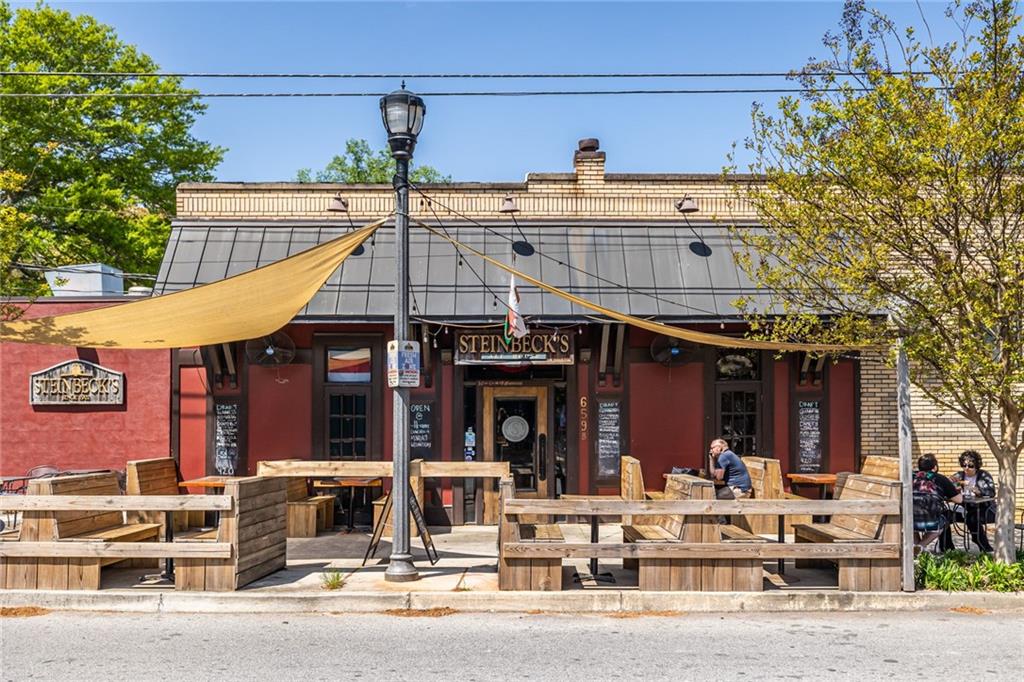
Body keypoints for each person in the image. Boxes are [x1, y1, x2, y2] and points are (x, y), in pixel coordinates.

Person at [944, 450, 997, 553]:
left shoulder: (984, 475)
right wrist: (951, 483)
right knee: (944, 516)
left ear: (977, 465)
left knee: (972, 518)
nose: (966, 468)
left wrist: (976, 490)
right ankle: (947, 547)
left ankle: (984, 546)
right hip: (964, 508)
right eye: (964, 465)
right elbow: (949, 490)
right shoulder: (959, 475)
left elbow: (991, 492)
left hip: (984, 509)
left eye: (970, 465)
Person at [912, 453, 961, 553]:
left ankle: (916, 547)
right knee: (944, 519)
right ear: (935, 467)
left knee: (913, 523)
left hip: (910, 521)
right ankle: (921, 546)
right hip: (932, 522)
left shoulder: (911, 476)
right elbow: (959, 500)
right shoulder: (940, 478)